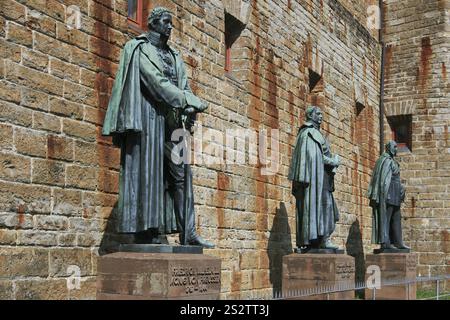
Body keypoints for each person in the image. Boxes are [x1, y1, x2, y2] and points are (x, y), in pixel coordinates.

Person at [102, 7, 214, 248]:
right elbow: (156, 84)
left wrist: (188, 105)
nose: (170, 26)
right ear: (153, 23)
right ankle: (146, 230)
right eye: (166, 22)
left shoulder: (175, 56)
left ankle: (189, 232)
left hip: (175, 125)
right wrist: (186, 100)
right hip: (149, 121)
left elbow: (183, 86)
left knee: (182, 177)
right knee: (149, 173)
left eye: (172, 22)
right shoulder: (139, 49)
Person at [288, 106, 341, 251]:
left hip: (322, 178)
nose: (321, 116)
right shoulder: (308, 133)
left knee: (326, 207)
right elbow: (315, 157)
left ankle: (322, 239)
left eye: (321, 114)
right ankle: (321, 239)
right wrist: (333, 162)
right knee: (323, 206)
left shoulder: (315, 134)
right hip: (314, 180)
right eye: (318, 114)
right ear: (310, 115)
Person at [368, 141, 410, 250]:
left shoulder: (392, 161)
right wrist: (384, 195)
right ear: (390, 148)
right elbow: (382, 180)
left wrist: (401, 188)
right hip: (388, 194)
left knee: (396, 217)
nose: (396, 149)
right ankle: (385, 242)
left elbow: (395, 178)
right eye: (395, 147)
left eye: (397, 147)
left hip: (395, 193)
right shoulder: (385, 161)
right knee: (386, 218)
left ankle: (398, 242)